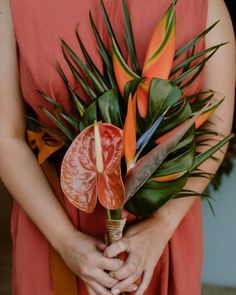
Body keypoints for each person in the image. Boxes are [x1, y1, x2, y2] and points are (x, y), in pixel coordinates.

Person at [0, 0, 235, 294]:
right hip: (51, 210)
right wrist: (65, 240)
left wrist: (163, 223)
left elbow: (213, 131)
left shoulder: (203, 4)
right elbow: (6, 137)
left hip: (160, 223)